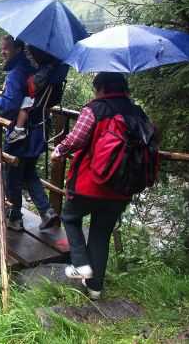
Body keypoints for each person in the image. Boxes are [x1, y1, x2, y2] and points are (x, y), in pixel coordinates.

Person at [51, 72, 156, 300]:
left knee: (70, 217)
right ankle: (95, 289)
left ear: (102, 88)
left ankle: (80, 264)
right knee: (100, 233)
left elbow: (77, 139)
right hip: (122, 187)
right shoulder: (137, 112)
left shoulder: (95, 109)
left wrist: (58, 151)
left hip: (90, 184)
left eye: (96, 88)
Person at [0, 35, 59, 231]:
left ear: (17, 49)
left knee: (12, 175)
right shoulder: (37, 70)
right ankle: (47, 211)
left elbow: (8, 106)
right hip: (38, 129)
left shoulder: (17, 72)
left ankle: (14, 217)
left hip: (20, 134)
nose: (2, 52)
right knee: (29, 172)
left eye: (5, 48)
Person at [8, 46, 68, 143]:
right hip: (52, 96)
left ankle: (19, 129)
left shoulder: (47, 68)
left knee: (25, 103)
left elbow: (34, 85)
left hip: (39, 99)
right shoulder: (61, 64)